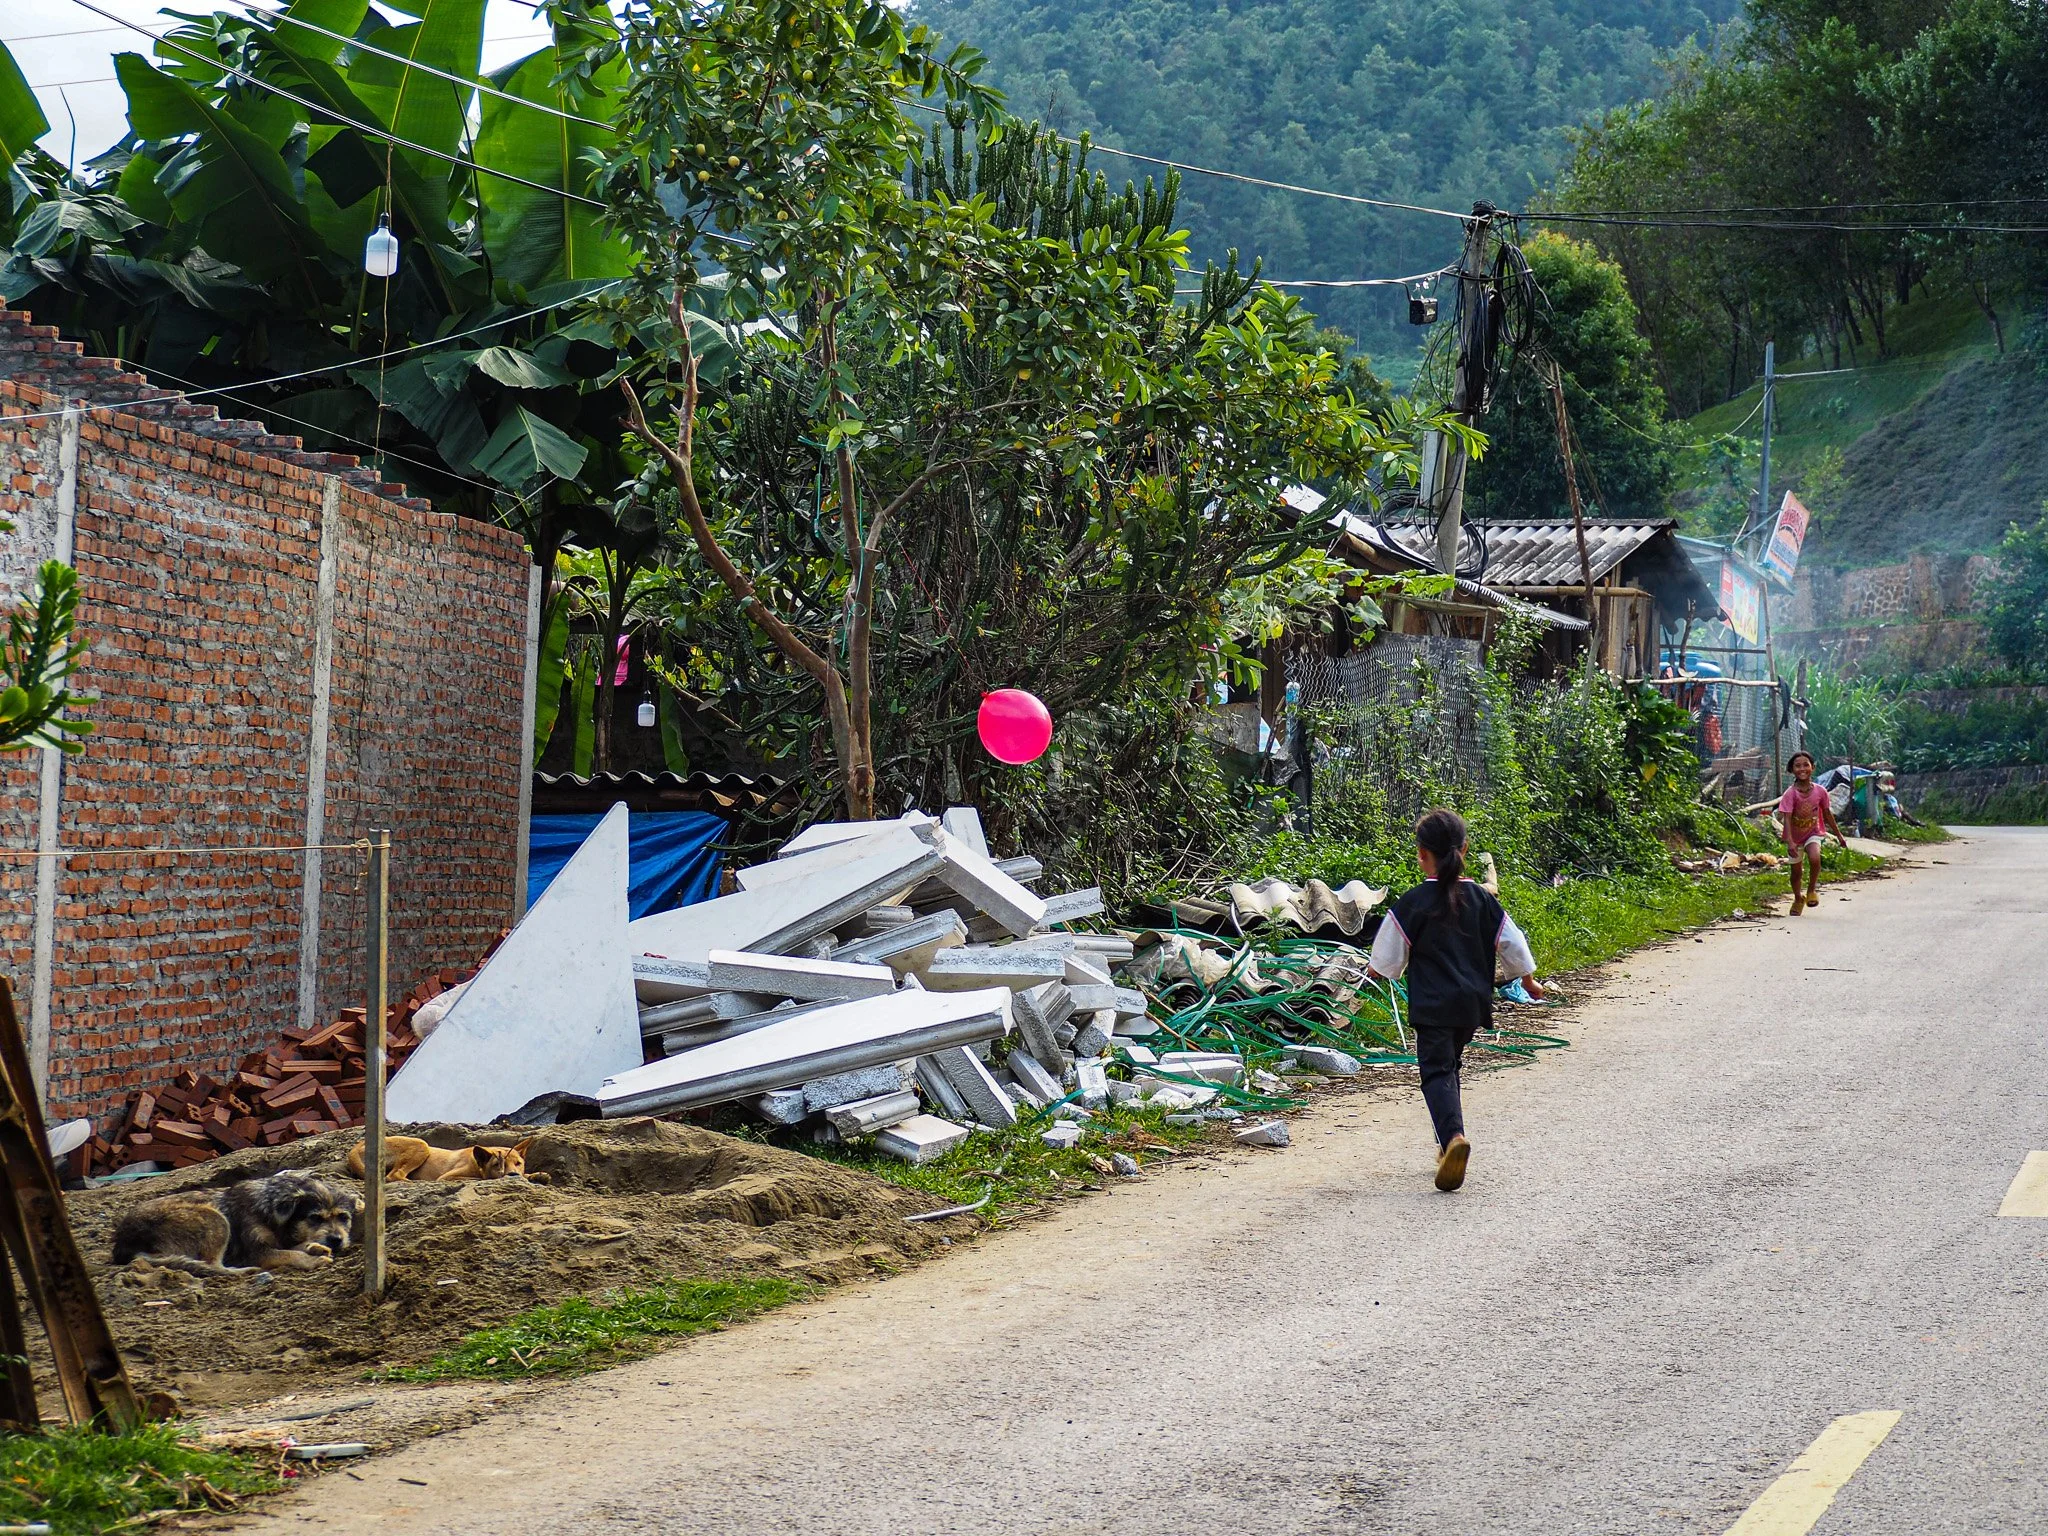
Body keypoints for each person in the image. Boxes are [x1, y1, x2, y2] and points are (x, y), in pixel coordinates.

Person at [1366, 808, 1542, 1193]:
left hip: (1433, 1006)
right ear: (1464, 849)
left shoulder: (1412, 903)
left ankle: (1453, 1140)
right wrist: (1527, 979)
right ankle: (1446, 1141)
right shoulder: (1481, 899)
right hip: (1471, 1006)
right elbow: (1512, 940)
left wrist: (1376, 972)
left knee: (1436, 1071)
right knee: (1450, 1065)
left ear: (1421, 854)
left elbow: (1386, 958)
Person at [1778, 751, 1847, 914]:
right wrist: (1790, 841)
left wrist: (1839, 835)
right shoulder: (1790, 794)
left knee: (1815, 857)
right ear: (1792, 770)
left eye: (1806, 765)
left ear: (1813, 767)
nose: (1802, 769)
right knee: (1796, 873)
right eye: (1797, 766)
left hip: (1813, 832)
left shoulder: (1820, 791)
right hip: (1795, 837)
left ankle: (1811, 891)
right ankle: (1797, 898)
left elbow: (1827, 814)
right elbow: (1786, 818)